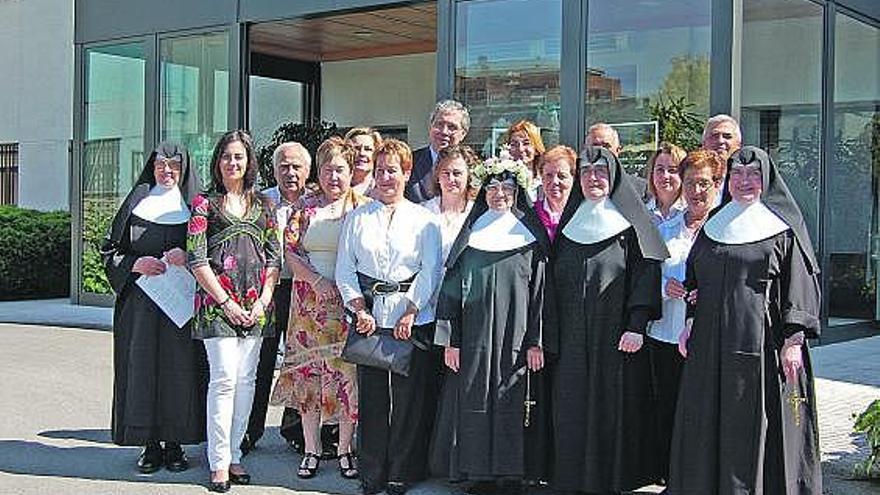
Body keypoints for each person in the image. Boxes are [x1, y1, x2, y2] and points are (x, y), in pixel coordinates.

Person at [669, 146, 822, 494]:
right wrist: (690, 322)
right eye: (737, 174)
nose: (745, 181)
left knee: (753, 423)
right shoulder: (714, 226)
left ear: (766, 180)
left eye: (753, 174)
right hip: (710, 346)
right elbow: (697, 278)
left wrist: (794, 340)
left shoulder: (782, 230)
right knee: (708, 419)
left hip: (762, 346)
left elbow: (799, 285)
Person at [546, 146, 669, 494]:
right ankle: (570, 477)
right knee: (570, 403)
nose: (593, 178)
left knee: (610, 406)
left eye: (600, 171)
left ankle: (611, 478)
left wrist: (636, 323)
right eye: (586, 172)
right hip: (571, 336)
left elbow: (646, 272)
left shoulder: (629, 225)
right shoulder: (571, 223)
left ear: (613, 177)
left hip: (614, 337)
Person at [429, 153, 550, 494]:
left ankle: (512, 474)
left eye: (507, 186)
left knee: (512, 399)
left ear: (518, 192)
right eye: (493, 186)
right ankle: (477, 472)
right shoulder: (470, 241)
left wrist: (536, 341)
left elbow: (541, 294)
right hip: (474, 338)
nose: (499, 193)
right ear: (482, 192)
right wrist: (450, 339)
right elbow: (450, 292)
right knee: (474, 399)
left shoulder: (530, 241)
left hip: (517, 337)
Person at [336, 139, 443, 495]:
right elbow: (344, 270)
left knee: (408, 401)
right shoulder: (357, 217)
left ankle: (401, 471)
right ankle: (373, 472)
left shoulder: (425, 220)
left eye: (392, 171)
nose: (385, 177)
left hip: (411, 319)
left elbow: (431, 271)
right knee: (373, 400)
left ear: (406, 173)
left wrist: (412, 310)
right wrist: (358, 308)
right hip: (370, 317)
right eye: (379, 171)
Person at [101, 142, 206, 474]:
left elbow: (215, 251)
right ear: (152, 167)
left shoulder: (196, 207)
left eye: (175, 164)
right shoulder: (136, 205)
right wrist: (135, 263)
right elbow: (110, 251)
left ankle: (175, 445)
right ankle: (148, 445)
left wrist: (188, 258)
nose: (167, 170)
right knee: (142, 369)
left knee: (181, 372)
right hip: (141, 306)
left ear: (184, 169)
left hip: (181, 306)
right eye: (161, 164)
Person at [270, 137, 370, 480]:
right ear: (320, 171)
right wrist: (315, 281)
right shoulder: (305, 207)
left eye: (340, 170)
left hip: (347, 305)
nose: (334, 177)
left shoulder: (363, 206)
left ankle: (345, 449)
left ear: (350, 171)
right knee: (309, 378)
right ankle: (311, 448)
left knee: (347, 378)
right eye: (328, 170)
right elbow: (290, 251)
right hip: (309, 307)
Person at [187, 130, 281, 493]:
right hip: (216, 308)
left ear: (249, 162)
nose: (233, 162)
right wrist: (225, 301)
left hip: (257, 306)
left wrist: (261, 301)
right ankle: (217, 461)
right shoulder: (204, 204)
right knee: (224, 379)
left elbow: (274, 257)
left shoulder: (265, 205)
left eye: (239, 156)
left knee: (247, 383)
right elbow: (196, 258)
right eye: (227, 156)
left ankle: (235, 454)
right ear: (217, 161)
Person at [645, 149, 723, 483]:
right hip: (666, 330)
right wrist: (666, 287)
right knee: (668, 404)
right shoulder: (667, 227)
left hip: (708, 335)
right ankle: (667, 471)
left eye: (703, 183)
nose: (696, 191)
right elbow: (647, 273)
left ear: (717, 184)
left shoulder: (724, 228)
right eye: (690, 183)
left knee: (703, 407)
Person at [243, 141, 310, 456]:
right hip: (268, 290)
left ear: (307, 170)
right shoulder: (259, 201)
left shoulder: (316, 201)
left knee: (301, 364)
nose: (290, 172)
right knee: (261, 360)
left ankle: (297, 431)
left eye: (297, 166)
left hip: (306, 290)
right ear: (273, 170)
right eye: (284, 166)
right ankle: (249, 430)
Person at [421, 144, 477, 346]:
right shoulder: (422, 213)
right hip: (426, 307)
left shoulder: (478, 216)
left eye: (457, 173)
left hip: (465, 309)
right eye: (446, 173)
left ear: (469, 176)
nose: (451, 179)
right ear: (437, 175)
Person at [405, 99, 470, 203]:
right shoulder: (409, 161)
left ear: (463, 134)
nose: (444, 131)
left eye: (452, 127)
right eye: (439, 124)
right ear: (430, 127)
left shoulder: (471, 167)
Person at [585, 122, 649, 200]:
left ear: (618, 151)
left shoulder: (640, 189)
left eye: (606, 146)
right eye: (595, 146)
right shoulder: (577, 190)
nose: (601, 151)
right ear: (586, 151)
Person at [534, 145, 576, 241]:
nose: (555, 182)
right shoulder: (531, 215)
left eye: (562, 176)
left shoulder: (580, 213)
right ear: (542, 177)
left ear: (573, 178)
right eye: (549, 175)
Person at [645, 142, 687, 225]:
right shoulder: (642, 212)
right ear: (652, 173)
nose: (665, 176)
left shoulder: (690, 211)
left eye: (672, 170)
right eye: (660, 169)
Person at [504, 119, 545, 201]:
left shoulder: (546, 178)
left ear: (536, 148)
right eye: (514, 144)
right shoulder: (503, 179)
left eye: (526, 143)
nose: (520, 149)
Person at [345, 127, 383, 196]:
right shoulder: (336, 189)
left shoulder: (382, 191)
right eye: (356, 148)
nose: (362, 153)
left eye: (368, 149)